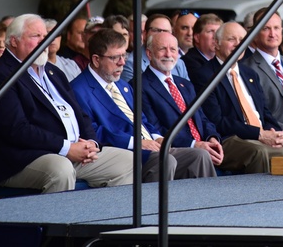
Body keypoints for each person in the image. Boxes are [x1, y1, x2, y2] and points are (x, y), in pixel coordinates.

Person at [0, 14, 133, 193]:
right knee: (60, 170)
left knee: (128, 161)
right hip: (24, 159)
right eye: (36, 36)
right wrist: (66, 148)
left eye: (45, 36)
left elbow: (80, 114)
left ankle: (108, 219)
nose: (44, 42)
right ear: (14, 41)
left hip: (72, 152)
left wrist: (91, 143)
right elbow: (17, 130)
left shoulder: (53, 72)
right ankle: (60, 221)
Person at [71, 29, 214, 181]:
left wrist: (158, 138)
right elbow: (94, 132)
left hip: (150, 145)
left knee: (200, 156)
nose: (122, 62)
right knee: (165, 160)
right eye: (115, 58)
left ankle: (209, 204)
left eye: (124, 55)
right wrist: (138, 143)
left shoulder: (121, 85)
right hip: (124, 152)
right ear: (96, 60)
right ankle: (156, 205)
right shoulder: (78, 89)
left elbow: (142, 120)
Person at [192, 21, 283, 174]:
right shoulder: (205, 75)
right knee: (261, 152)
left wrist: (276, 133)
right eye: (231, 39)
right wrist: (259, 134)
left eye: (242, 40)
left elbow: (264, 112)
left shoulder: (249, 73)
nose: (238, 44)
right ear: (216, 43)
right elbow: (217, 121)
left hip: (260, 135)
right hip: (230, 139)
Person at [141, 31, 225, 167]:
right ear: (149, 54)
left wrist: (212, 139)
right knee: (202, 156)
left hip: (202, 146)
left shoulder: (185, 84)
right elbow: (155, 128)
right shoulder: (140, 85)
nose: (168, 55)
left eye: (173, 49)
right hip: (175, 150)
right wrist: (194, 144)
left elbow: (202, 118)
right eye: (162, 49)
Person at [240, 8, 283, 131]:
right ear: (255, 33)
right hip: (276, 135)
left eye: (276, 28)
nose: (272, 34)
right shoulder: (246, 69)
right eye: (266, 29)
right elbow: (258, 114)